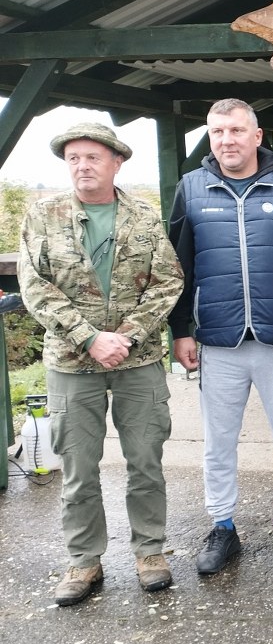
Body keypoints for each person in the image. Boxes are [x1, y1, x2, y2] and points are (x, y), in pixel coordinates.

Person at [18, 122, 183, 606]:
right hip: (71, 363)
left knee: (146, 461)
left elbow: (168, 282)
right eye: (73, 158)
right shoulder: (42, 215)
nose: (82, 166)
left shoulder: (144, 217)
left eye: (93, 157)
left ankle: (150, 552)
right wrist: (89, 338)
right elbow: (34, 286)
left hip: (137, 359)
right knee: (78, 468)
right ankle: (83, 561)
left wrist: (126, 336)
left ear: (117, 162)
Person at [168, 98, 273, 574]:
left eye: (236, 131)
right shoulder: (191, 188)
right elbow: (179, 266)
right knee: (218, 441)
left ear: (257, 136)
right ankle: (222, 526)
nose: (227, 140)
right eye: (217, 132)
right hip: (218, 340)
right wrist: (181, 329)